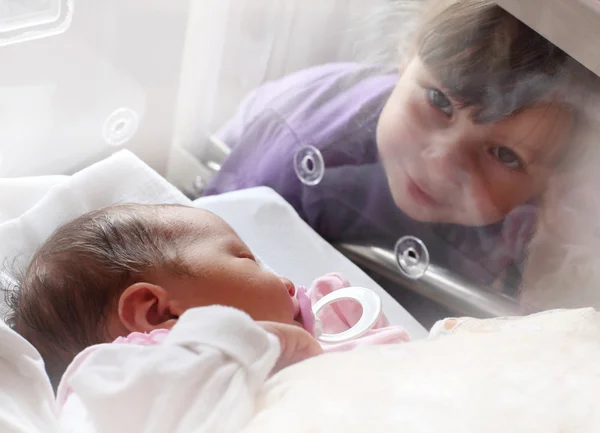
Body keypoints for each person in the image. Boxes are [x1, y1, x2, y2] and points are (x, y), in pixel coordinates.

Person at [203, 0, 599, 292]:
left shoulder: (548, 220)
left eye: (504, 155)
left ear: (552, 181)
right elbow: (207, 248)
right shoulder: (305, 146)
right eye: (439, 102)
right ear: (406, 55)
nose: (442, 164)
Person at [3, 203, 408, 389]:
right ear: (157, 313)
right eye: (246, 258)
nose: (284, 280)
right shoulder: (150, 374)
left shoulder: (325, 331)